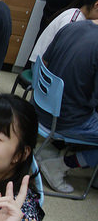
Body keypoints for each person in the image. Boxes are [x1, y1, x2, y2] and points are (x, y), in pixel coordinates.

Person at [34, 19, 98, 193]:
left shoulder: (73, 26)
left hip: (41, 106)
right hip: (66, 119)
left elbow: (45, 63)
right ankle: (62, 165)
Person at [29, 0, 98, 64]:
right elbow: (62, 51)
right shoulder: (73, 19)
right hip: (42, 66)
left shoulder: (78, 16)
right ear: (96, 5)